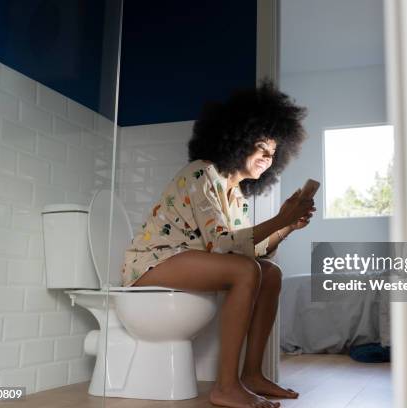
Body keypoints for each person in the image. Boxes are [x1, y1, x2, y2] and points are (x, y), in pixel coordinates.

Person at [122, 79, 314, 408]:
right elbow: (224, 246)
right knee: (245, 272)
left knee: (270, 273)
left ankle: (252, 374)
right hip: (148, 265)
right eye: (261, 149)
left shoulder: (236, 195)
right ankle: (226, 386)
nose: (267, 159)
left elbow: (247, 250)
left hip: (182, 263)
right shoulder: (202, 174)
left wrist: (287, 227)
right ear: (238, 140)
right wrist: (280, 220)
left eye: (272, 154)